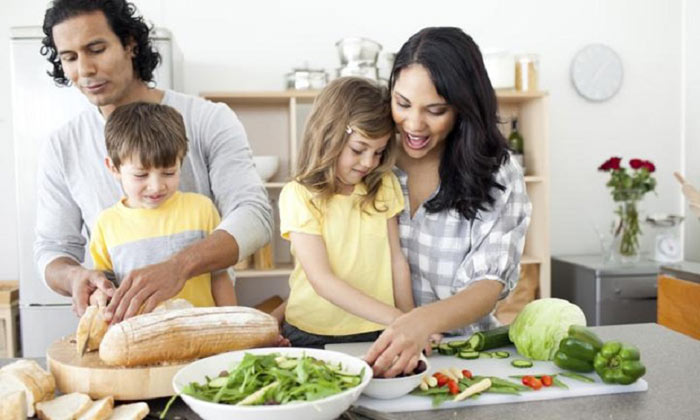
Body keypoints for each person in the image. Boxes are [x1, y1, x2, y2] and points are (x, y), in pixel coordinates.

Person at [36, 0, 271, 322]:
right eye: (70, 58)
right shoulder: (62, 146)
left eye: (97, 49)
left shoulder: (208, 119)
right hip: (125, 328)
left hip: (204, 323)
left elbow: (254, 216)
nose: (85, 70)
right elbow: (52, 247)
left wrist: (179, 266)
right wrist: (74, 276)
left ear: (130, 44)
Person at [364, 27, 532, 377]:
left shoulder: (497, 174)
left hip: (464, 358)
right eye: (402, 103)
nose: (414, 124)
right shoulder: (371, 159)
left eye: (435, 110)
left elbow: (488, 286)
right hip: (371, 353)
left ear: (464, 106)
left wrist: (419, 323)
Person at [277, 77, 413, 348]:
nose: (369, 163)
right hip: (312, 333)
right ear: (328, 136)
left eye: (378, 152)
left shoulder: (383, 185)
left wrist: (411, 320)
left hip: (378, 329)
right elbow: (322, 281)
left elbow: (397, 261)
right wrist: (398, 318)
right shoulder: (299, 195)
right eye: (359, 150)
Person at [89, 102, 236, 311]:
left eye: (168, 172)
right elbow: (106, 289)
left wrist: (233, 325)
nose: (156, 186)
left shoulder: (202, 210)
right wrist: (98, 296)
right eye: (141, 175)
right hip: (141, 337)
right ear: (114, 168)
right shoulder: (106, 224)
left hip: (204, 334)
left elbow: (220, 277)